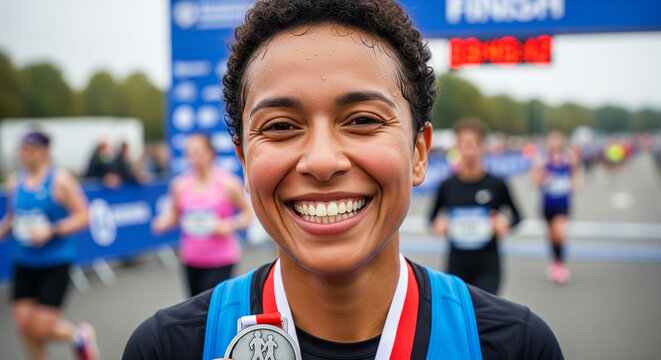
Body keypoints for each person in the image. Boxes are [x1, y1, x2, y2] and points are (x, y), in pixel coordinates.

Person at [123, 1, 563, 359]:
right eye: (279, 126)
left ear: (418, 152)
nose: (321, 161)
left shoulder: (517, 346)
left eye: (363, 120)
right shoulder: (166, 348)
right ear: (243, 159)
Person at [0, 131, 99, 360]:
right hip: (24, 259)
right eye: (22, 150)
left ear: (44, 151)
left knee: (43, 328)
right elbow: (13, 217)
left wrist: (51, 230)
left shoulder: (60, 179)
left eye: (30, 150)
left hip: (54, 260)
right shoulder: (16, 180)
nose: (25, 155)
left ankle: (79, 337)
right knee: (24, 324)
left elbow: (84, 216)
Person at [151, 133, 252, 296]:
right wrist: (163, 222)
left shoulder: (228, 183)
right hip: (190, 258)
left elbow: (248, 213)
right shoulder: (179, 185)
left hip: (221, 259)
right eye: (189, 153)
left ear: (210, 153)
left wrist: (230, 224)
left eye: (198, 152)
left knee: (210, 308)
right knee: (194, 310)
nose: (193, 158)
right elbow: (176, 215)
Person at [428, 118, 522, 295]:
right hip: (456, 267)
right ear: (456, 147)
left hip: (488, 267)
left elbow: (518, 217)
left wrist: (505, 224)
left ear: (481, 147)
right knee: (458, 320)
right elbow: (431, 218)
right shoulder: (447, 185)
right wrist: (439, 225)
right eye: (462, 144)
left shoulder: (497, 184)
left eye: (471, 144)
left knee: (483, 320)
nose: (467, 149)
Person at [531, 131, 580, 285]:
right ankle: (555, 263)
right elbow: (533, 180)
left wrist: (574, 185)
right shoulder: (542, 159)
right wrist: (543, 178)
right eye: (552, 141)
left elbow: (575, 177)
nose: (555, 144)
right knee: (552, 236)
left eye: (557, 141)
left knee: (560, 233)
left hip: (563, 203)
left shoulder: (569, 158)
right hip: (547, 203)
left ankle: (560, 265)